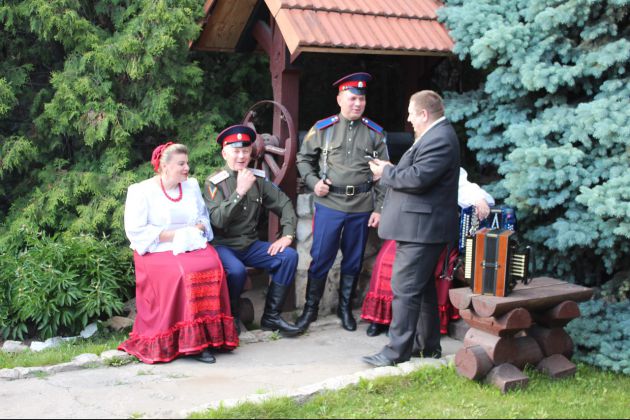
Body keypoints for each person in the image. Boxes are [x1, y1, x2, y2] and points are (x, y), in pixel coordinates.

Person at [362, 90, 460, 367]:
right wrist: (390, 168)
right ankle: (427, 346)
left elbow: (418, 179)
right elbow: (419, 173)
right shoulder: (436, 136)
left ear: (424, 114)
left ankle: (395, 352)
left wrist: (385, 172)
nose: (408, 119)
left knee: (404, 289)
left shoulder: (439, 139)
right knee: (423, 289)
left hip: (422, 230)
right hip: (421, 227)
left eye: (411, 113)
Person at [120, 142, 238, 364]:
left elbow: (202, 217)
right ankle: (191, 343)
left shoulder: (190, 186)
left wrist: (197, 229)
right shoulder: (141, 191)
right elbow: (136, 231)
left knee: (213, 266)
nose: (187, 168)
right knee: (184, 273)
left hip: (190, 243)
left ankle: (212, 337)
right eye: (181, 164)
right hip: (156, 249)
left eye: (187, 163)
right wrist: (176, 234)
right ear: (164, 166)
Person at [295, 72, 389, 332]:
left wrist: (380, 208)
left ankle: (345, 310)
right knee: (320, 258)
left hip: (361, 206)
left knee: (353, 260)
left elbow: (384, 174)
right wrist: (314, 182)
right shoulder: (323, 129)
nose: (358, 103)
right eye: (352, 98)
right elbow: (303, 159)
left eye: (361, 99)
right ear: (339, 99)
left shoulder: (374, 133)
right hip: (329, 204)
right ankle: (310, 310)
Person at [361, 168, 495, 337]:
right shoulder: (410, 164)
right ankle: (382, 318)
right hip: (408, 225)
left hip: (435, 228)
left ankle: (409, 324)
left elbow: (463, 186)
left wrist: (479, 199)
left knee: (430, 268)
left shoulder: (444, 165)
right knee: (385, 261)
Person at [203, 124, 302, 337]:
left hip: (249, 245)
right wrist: (239, 192)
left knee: (288, 257)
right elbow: (217, 221)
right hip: (223, 246)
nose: (241, 156)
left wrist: (287, 235)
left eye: (246, 151)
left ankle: (271, 317)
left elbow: (284, 203)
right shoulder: (214, 183)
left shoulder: (257, 179)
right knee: (236, 271)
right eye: (236, 151)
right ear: (225, 153)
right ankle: (231, 318)